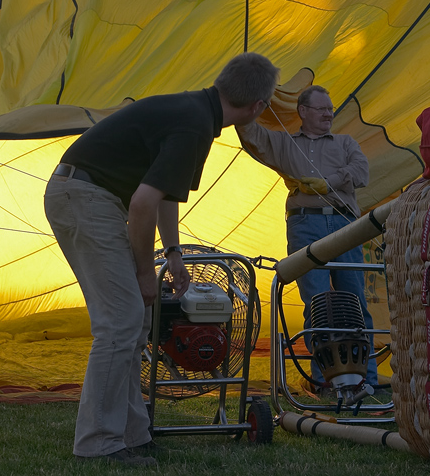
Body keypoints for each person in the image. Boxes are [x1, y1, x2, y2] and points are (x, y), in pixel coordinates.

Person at [44, 53, 279, 466]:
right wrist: (142, 273)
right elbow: (143, 203)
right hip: (86, 198)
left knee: (132, 321)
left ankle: (133, 434)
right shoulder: (194, 125)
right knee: (120, 322)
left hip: (84, 196)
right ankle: (98, 444)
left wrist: (172, 255)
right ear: (257, 106)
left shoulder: (195, 112)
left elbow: (164, 192)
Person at [235, 84, 378, 389]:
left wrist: (330, 183)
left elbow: (362, 172)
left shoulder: (345, 142)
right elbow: (253, 137)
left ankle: (369, 382)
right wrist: (245, 100)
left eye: (330, 108)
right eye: (322, 108)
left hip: (345, 225)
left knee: (354, 301)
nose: (329, 113)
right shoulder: (285, 144)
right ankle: (324, 382)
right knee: (316, 303)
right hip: (304, 225)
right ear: (303, 112)